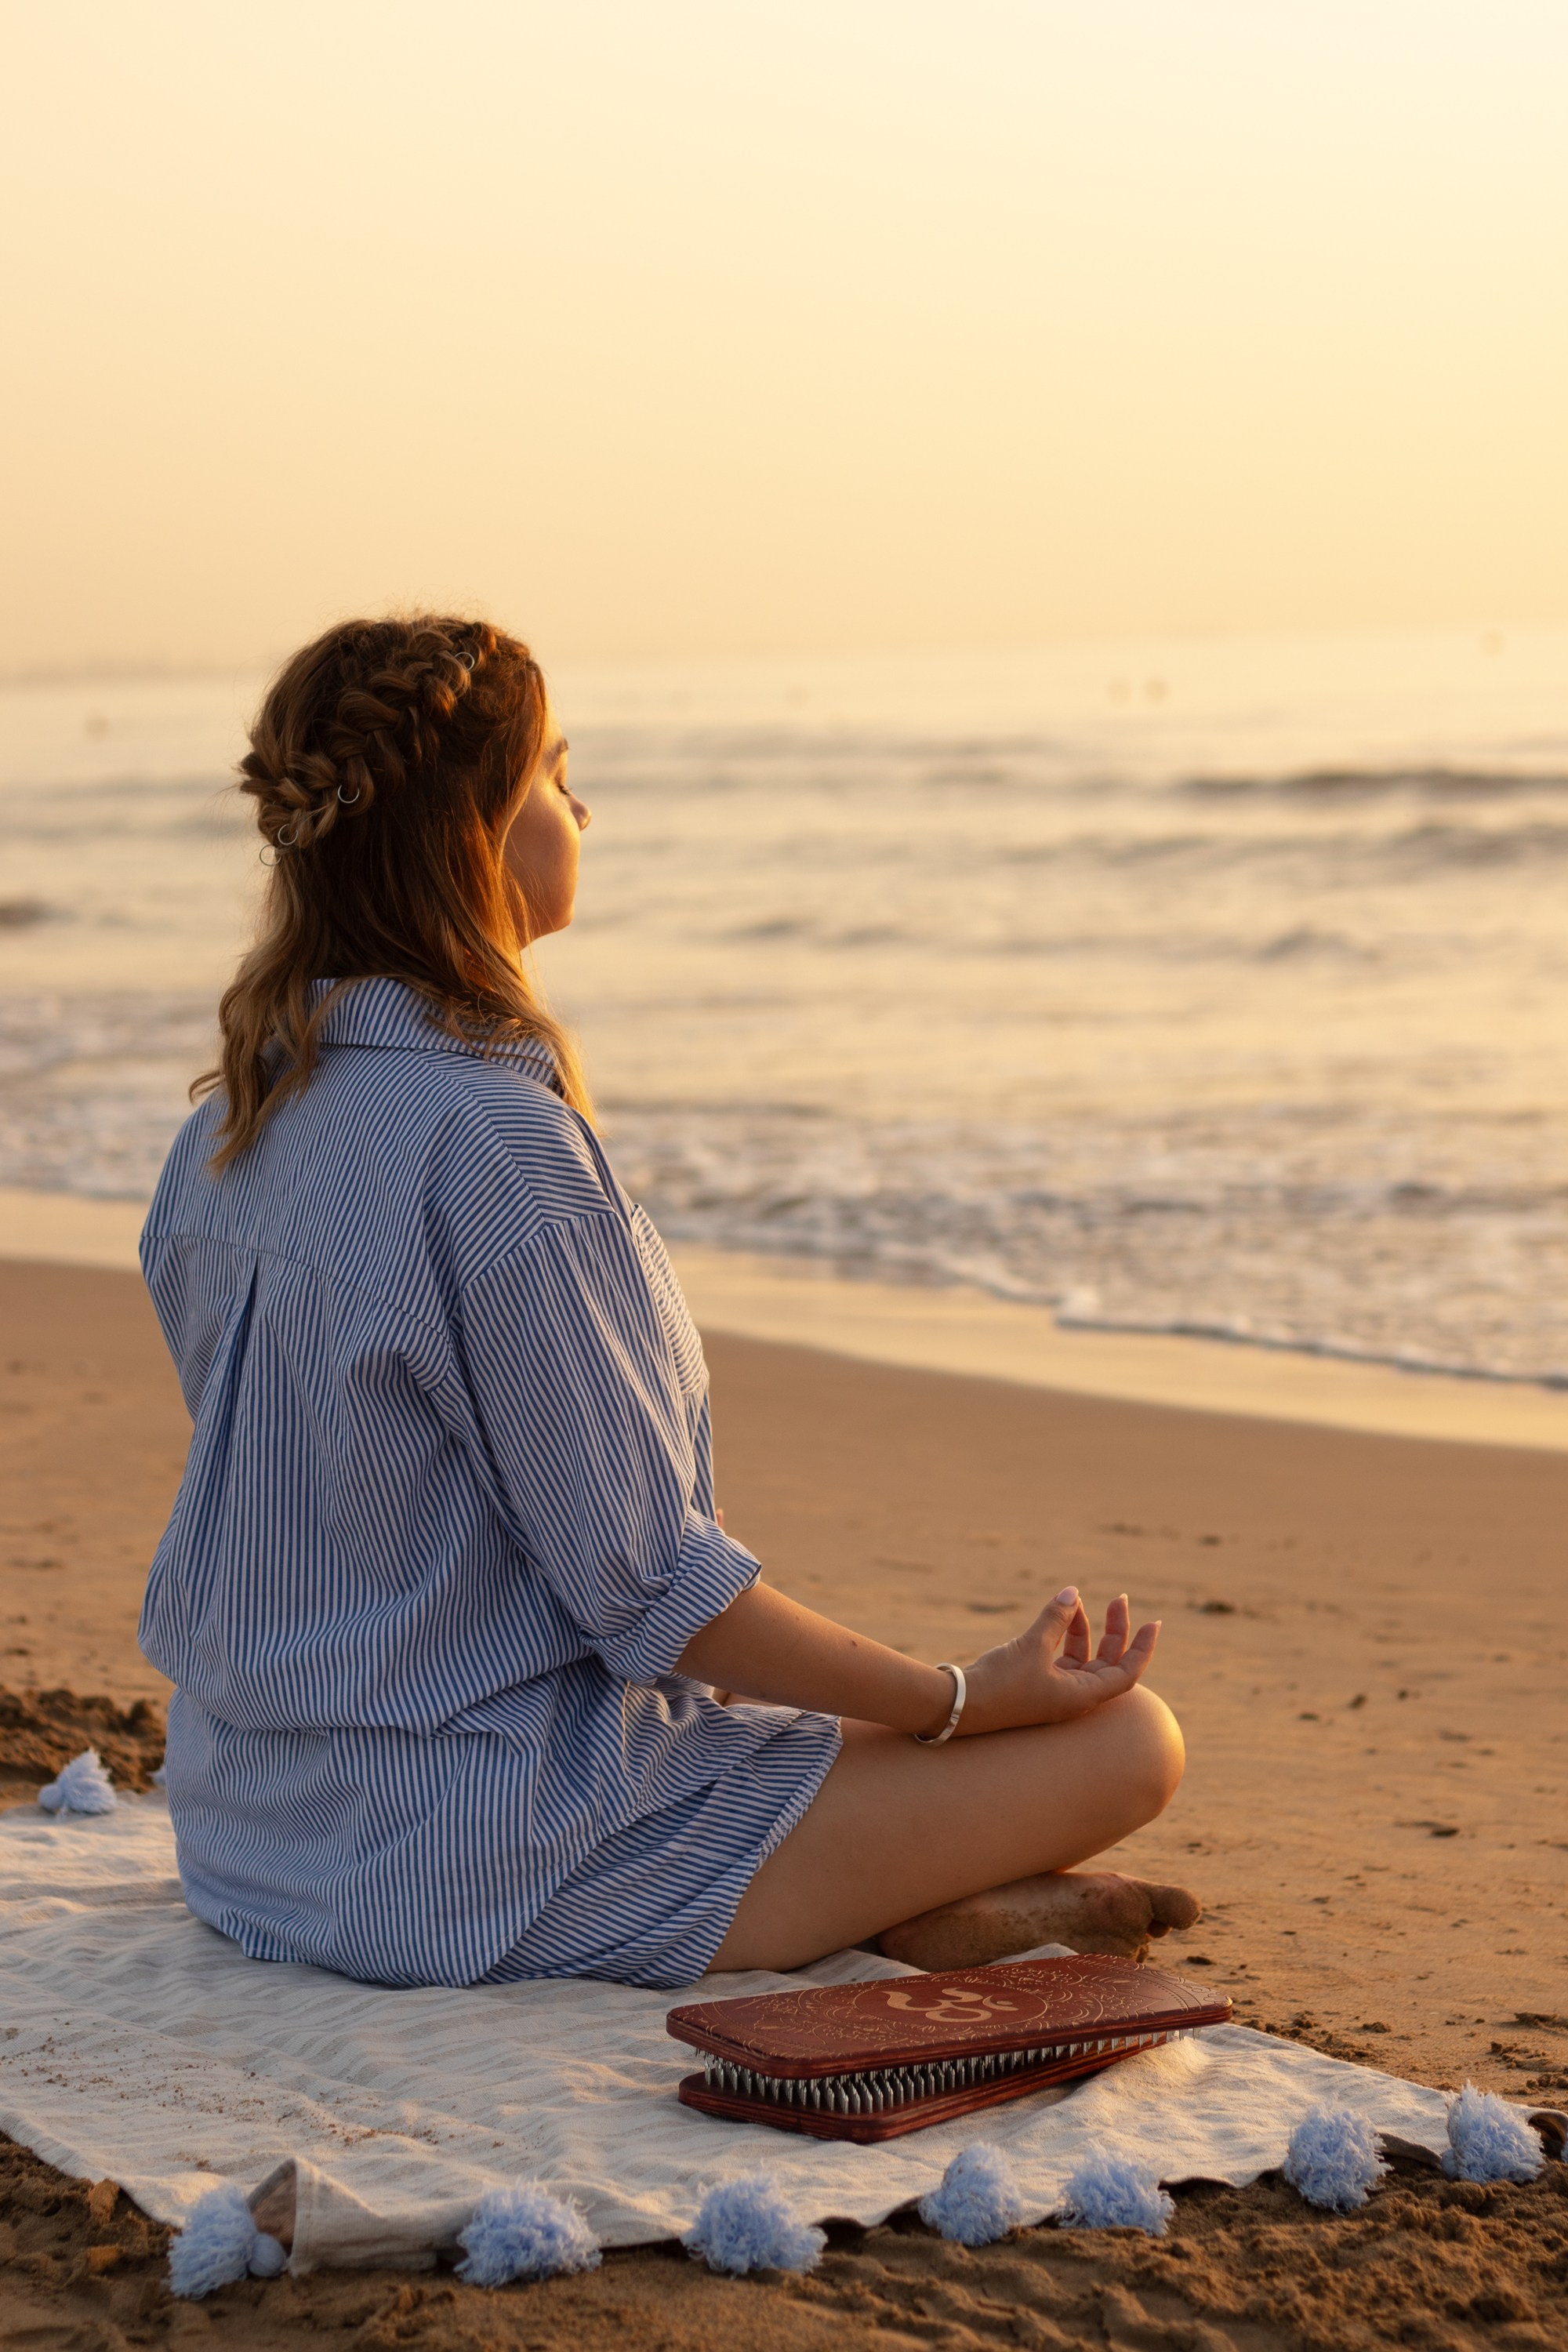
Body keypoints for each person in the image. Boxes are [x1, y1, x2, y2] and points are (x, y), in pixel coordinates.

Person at [139, 614, 1192, 1994]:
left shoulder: (233, 1122)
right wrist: (958, 1697)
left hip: (248, 1828)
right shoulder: (495, 1146)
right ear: (475, 831)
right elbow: (657, 1596)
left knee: (789, 1723)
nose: (582, 805)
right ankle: (866, 1906)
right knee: (1131, 1744)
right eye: (554, 774)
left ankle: (891, 1894)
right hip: (473, 1857)